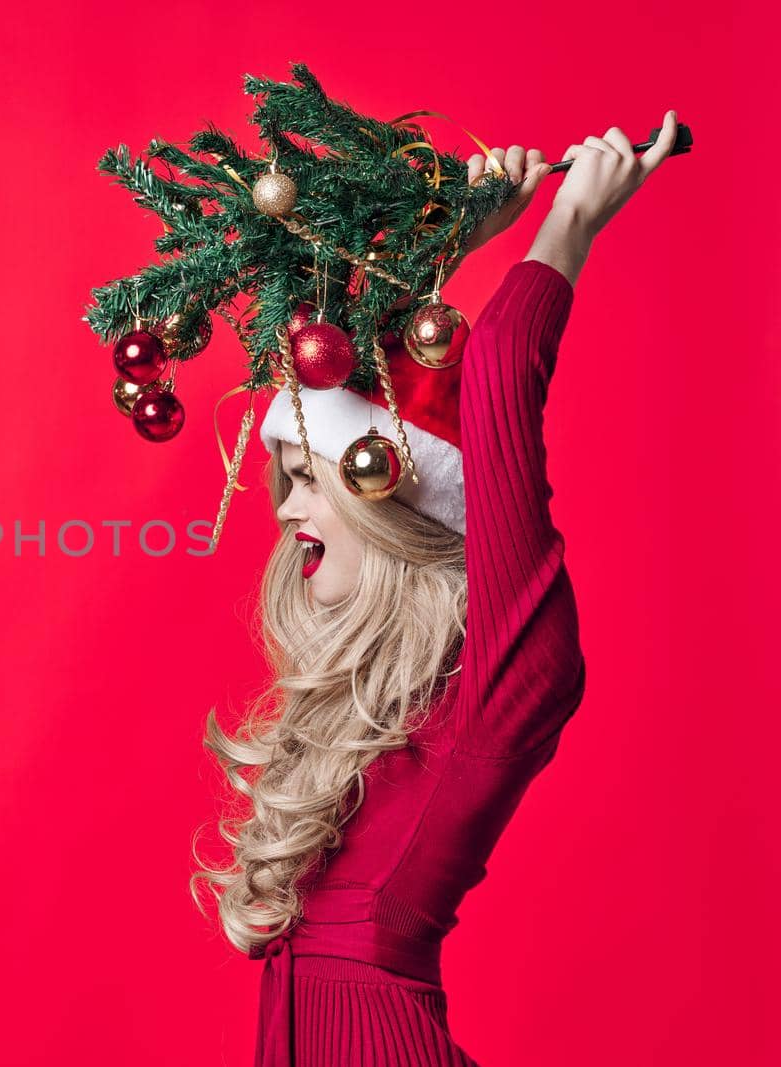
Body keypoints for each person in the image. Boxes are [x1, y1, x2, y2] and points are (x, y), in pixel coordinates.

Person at [195, 113, 681, 1066]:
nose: (286, 513)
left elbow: (499, 366)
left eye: (309, 481)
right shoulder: (370, 704)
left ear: (386, 498)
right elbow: (353, 356)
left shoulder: (507, 681)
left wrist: (570, 222)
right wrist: (459, 228)